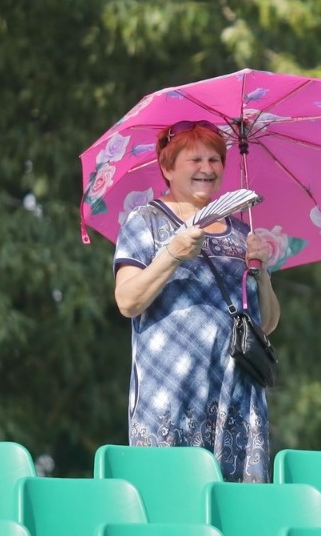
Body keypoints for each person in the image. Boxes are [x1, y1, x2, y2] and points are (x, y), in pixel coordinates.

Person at [113, 119, 280, 483]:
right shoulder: (146, 222)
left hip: (237, 395)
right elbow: (127, 302)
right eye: (195, 160)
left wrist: (262, 271)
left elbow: (265, 324)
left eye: (215, 160)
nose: (207, 169)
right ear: (167, 168)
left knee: (236, 512)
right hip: (171, 392)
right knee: (170, 503)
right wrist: (171, 253)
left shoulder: (242, 232)